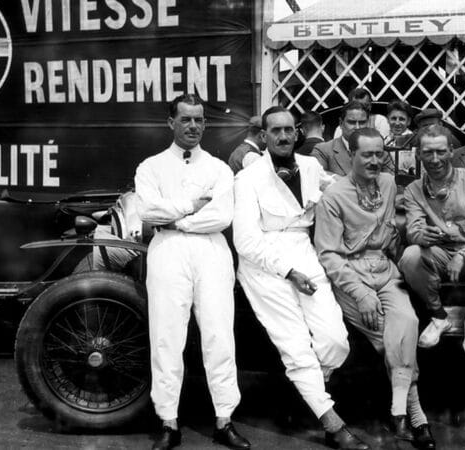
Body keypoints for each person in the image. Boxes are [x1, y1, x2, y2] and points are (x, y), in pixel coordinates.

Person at [233, 106, 370, 450]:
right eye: (275, 131)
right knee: (295, 345)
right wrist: (288, 272)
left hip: (304, 254)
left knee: (335, 340)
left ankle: (310, 386)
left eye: (288, 130)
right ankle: (332, 422)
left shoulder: (310, 167)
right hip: (265, 264)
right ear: (263, 137)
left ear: (297, 134)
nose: (282, 136)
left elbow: (340, 185)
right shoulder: (247, 179)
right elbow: (246, 242)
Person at [135, 94, 250, 450]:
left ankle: (224, 419)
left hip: (211, 250)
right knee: (167, 336)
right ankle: (168, 421)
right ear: (171, 122)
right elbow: (148, 212)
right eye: (185, 119)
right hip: (167, 251)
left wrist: (178, 220)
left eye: (199, 120)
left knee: (219, 335)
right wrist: (188, 206)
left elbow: (221, 216)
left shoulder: (219, 169)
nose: (193, 127)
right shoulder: (150, 167)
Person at [314, 128, 436, 450]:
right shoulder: (333, 198)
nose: (373, 160)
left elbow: (396, 230)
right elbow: (329, 255)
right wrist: (360, 293)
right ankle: (414, 416)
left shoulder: (387, 183)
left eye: (378, 154)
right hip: (353, 277)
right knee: (390, 338)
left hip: (386, 271)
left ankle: (403, 415)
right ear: (350, 155)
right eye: (365, 154)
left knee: (407, 323)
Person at [398, 125, 465, 358]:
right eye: (428, 152)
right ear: (418, 154)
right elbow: (413, 230)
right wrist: (420, 234)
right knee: (410, 256)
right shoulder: (413, 190)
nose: (435, 159)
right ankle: (439, 317)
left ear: (451, 151)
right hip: (438, 254)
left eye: (440, 151)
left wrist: (463, 254)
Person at [312, 100, 395, 178]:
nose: (357, 127)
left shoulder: (381, 152)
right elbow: (319, 178)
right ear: (341, 123)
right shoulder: (323, 150)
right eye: (352, 122)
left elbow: (391, 182)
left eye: (362, 123)